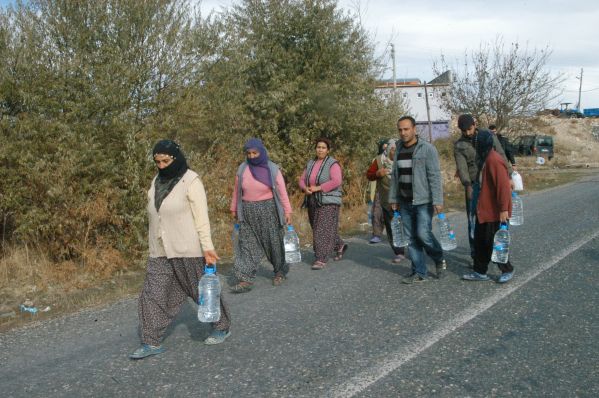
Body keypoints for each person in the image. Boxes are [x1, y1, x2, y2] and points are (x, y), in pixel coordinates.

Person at [130, 140, 231, 360]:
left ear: (176, 158)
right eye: (157, 161)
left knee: (200, 291)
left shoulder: (190, 180)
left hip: (188, 248)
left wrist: (207, 248)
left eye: (166, 161)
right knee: (152, 295)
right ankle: (151, 341)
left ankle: (221, 326)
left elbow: (201, 218)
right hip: (160, 249)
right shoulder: (156, 180)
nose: (161, 165)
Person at [230, 138, 293, 292]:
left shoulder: (272, 169)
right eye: (248, 153)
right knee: (246, 244)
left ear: (261, 152)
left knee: (274, 242)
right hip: (247, 211)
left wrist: (287, 211)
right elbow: (237, 191)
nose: (251, 156)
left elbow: (282, 192)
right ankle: (245, 278)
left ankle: (279, 271)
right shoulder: (242, 169)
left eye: (254, 153)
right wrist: (234, 208)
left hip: (269, 209)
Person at [389, 116, 446, 283]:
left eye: (406, 129)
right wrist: (393, 197)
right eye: (400, 129)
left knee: (423, 234)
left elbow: (434, 176)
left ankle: (438, 258)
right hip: (404, 201)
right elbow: (394, 176)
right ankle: (419, 271)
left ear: (414, 129)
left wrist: (438, 200)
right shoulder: (398, 149)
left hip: (423, 201)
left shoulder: (427, 149)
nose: (403, 132)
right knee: (410, 238)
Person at [454, 114, 512, 264]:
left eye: (469, 129)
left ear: (475, 125)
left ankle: (498, 251)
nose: (467, 132)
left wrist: (509, 176)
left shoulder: (487, 137)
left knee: (496, 217)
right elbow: (462, 168)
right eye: (464, 130)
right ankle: (476, 255)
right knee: (473, 220)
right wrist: (467, 185)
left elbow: (501, 155)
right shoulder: (459, 145)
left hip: (492, 182)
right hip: (474, 185)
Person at [462, 130, 514, 283]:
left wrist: (504, 209)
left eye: (476, 143)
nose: (474, 146)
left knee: (494, 242)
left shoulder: (494, 160)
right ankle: (480, 271)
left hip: (494, 211)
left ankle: (507, 269)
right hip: (483, 209)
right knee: (480, 241)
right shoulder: (484, 159)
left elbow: (503, 187)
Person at [299, 137, 347, 270]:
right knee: (318, 228)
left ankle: (321, 258)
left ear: (328, 150)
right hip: (313, 200)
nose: (320, 150)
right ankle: (339, 245)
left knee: (321, 229)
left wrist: (318, 188)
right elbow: (302, 179)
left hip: (329, 200)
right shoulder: (311, 163)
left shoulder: (333, 164)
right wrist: (305, 188)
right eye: (318, 147)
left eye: (323, 147)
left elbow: (337, 181)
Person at [366, 139, 406, 263]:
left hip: (404, 197)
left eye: (397, 149)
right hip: (386, 199)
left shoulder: (404, 159)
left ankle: (415, 247)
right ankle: (399, 252)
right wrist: (378, 173)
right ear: (388, 150)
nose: (395, 151)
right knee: (391, 225)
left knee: (407, 224)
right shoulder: (379, 160)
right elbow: (369, 175)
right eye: (393, 149)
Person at [368, 139, 388, 244]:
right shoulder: (376, 160)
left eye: (387, 147)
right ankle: (376, 234)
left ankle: (394, 235)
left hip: (392, 191)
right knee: (376, 213)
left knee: (391, 214)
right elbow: (370, 176)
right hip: (379, 191)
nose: (385, 150)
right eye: (384, 148)